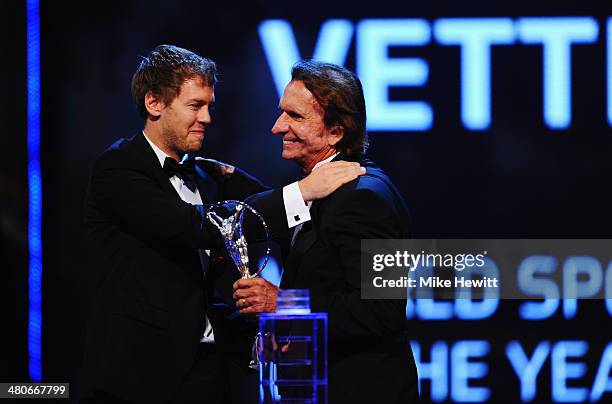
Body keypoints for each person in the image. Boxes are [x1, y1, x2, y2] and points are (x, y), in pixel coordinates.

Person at [80, 45, 364, 404]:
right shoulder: (117, 170)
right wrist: (302, 191)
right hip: (135, 383)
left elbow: (207, 289)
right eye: (195, 105)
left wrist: (272, 322)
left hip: (207, 379)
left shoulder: (209, 175)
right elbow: (198, 227)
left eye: (210, 105)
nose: (207, 117)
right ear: (154, 104)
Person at [232, 60, 419, 403]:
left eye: (295, 116)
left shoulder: (364, 200)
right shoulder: (324, 189)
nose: (277, 127)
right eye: (281, 113)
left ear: (336, 131)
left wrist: (283, 303)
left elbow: (381, 311)